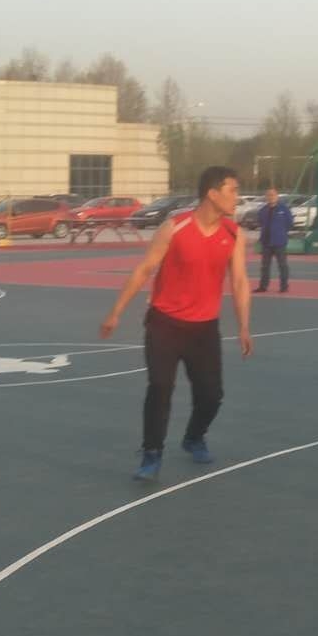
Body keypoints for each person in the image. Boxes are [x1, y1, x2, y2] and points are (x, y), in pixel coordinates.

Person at [101, 166, 255, 483]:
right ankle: (151, 453)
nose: (237, 198)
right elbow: (144, 269)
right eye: (233, 191)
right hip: (165, 324)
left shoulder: (233, 234)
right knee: (160, 387)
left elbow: (239, 281)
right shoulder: (175, 227)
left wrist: (244, 326)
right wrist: (116, 312)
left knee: (211, 395)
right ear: (213, 194)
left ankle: (194, 437)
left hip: (204, 329)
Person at [253, 188, 292, 294]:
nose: (271, 197)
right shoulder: (263, 210)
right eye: (269, 195)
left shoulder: (284, 209)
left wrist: (281, 233)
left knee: (282, 265)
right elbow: (261, 223)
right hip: (266, 242)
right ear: (266, 197)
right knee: (265, 266)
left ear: (277, 196)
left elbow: (289, 223)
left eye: (273, 195)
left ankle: (284, 286)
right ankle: (263, 286)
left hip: (279, 242)